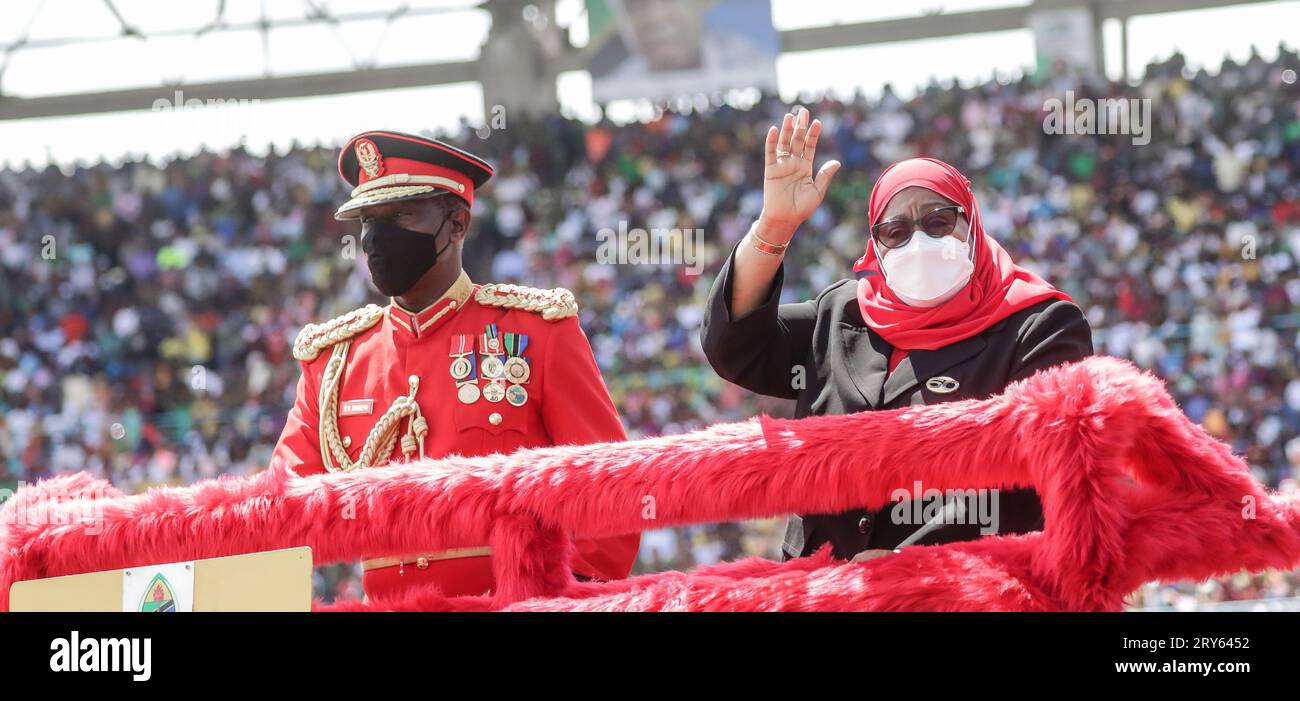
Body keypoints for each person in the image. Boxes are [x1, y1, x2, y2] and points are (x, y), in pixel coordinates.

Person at [701, 108, 1094, 562]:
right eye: (896, 231)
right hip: (822, 595)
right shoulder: (840, 315)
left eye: (938, 221)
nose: (919, 241)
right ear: (877, 244)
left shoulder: (1041, 327)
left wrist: (903, 567)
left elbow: (1040, 465)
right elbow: (733, 346)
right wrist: (774, 227)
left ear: (972, 226)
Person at [272, 130, 640, 599]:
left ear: (457, 224)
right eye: (368, 220)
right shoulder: (334, 364)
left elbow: (610, 491)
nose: (374, 239)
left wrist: (565, 604)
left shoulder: (537, 333)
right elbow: (279, 514)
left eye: (400, 215)